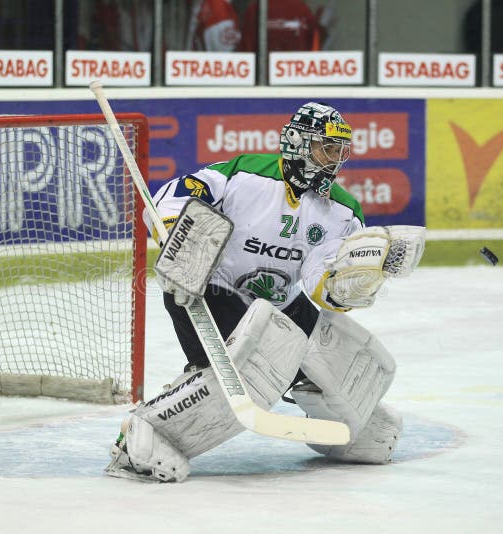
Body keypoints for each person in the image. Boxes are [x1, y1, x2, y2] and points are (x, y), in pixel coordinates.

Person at [106, 102, 426, 482]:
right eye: (326, 148)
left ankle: (355, 430)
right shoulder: (245, 173)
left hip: (279, 306)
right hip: (208, 291)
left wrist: (353, 282)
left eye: (340, 151)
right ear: (298, 143)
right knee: (249, 366)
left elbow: (319, 285)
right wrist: (179, 228)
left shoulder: (343, 211)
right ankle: (146, 434)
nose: (334, 160)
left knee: (330, 349)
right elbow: (173, 197)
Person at [238, 0, 324, 52]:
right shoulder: (302, 8)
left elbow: (246, 48)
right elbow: (315, 46)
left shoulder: (254, 9)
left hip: (265, 72)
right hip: (295, 71)